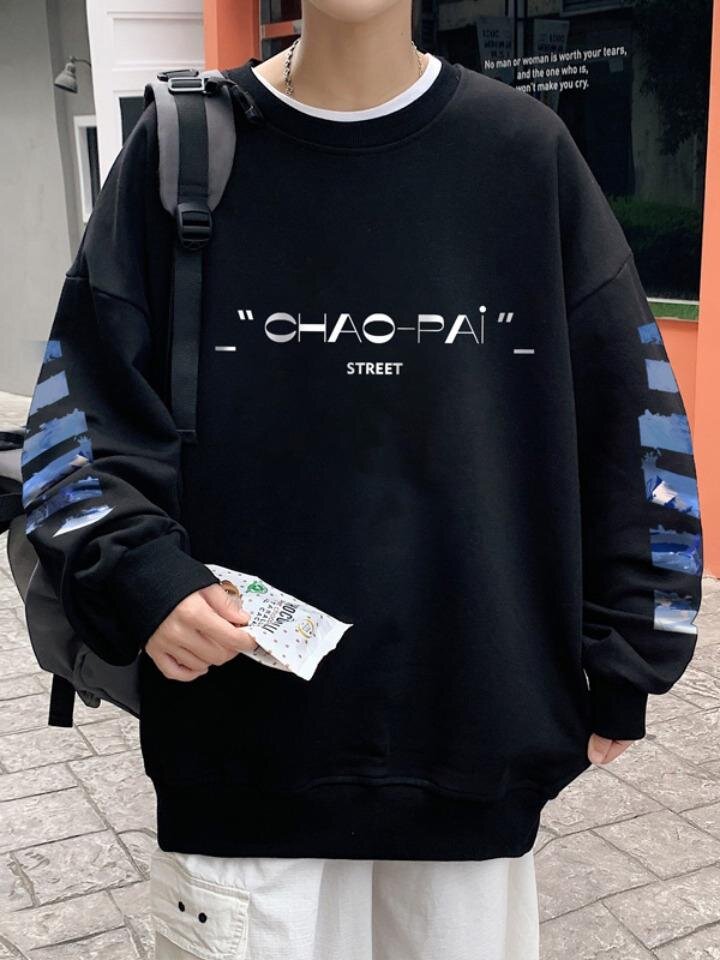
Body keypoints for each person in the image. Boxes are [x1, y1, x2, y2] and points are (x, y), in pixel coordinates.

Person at [20, 1, 703, 958]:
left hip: (472, 743)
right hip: (242, 752)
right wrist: (141, 576)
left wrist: (629, 655)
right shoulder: (180, 153)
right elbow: (73, 421)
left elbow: (631, 421)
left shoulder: (522, 154)